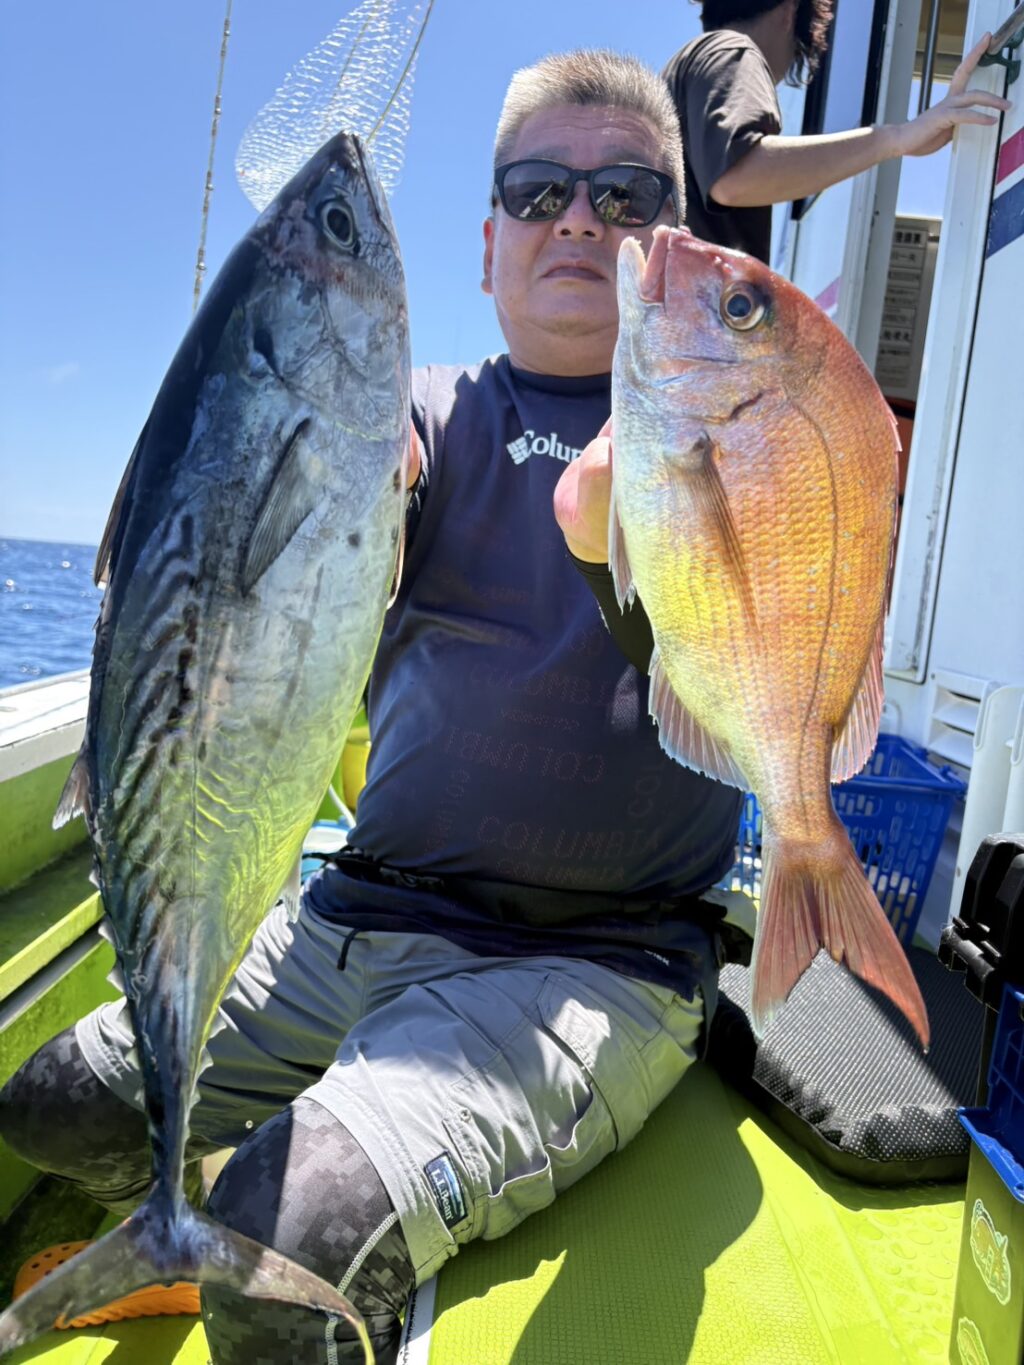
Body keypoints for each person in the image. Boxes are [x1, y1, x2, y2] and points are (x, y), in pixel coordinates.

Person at [0, 50, 746, 1365]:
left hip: (585, 961)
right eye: (540, 190)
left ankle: (280, 1197)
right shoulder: (409, 419)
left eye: (625, 196)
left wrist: (617, 543)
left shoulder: (722, 439)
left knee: (290, 1249)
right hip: (351, 919)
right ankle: (180, 1212)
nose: (579, 220)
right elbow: (259, 549)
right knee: (51, 1105)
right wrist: (343, 480)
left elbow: (733, 689)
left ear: (669, 247)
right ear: (488, 245)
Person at [663, 0, 1012, 263]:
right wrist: (895, 139)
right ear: (789, 12)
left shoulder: (694, 63)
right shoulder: (734, 50)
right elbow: (736, 178)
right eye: (801, 48)